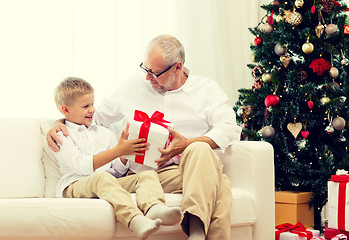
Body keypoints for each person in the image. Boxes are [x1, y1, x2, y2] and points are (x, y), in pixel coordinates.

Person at [47, 35, 241, 240]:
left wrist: (186, 145)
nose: (148, 78)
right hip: (147, 173)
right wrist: (59, 123)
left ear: (177, 67)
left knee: (200, 150)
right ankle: (197, 233)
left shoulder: (206, 90)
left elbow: (229, 128)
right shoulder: (134, 84)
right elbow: (94, 119)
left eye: (155, 73)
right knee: (220, 181)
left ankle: (196, 230)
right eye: (145, 69)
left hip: (189, 166)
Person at [53, 77, 182, 240]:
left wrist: (123, 155)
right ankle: (135, 220)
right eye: (86, 106)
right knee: (100, 177)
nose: (92, 110)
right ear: (66, 110)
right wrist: (116, 151)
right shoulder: (61, 135)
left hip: (108, 182)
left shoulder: (104, 133)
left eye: (93, 104)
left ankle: (154, 207)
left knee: (146, 175)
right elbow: (81, 166)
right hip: (75, 185)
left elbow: (116, 171)